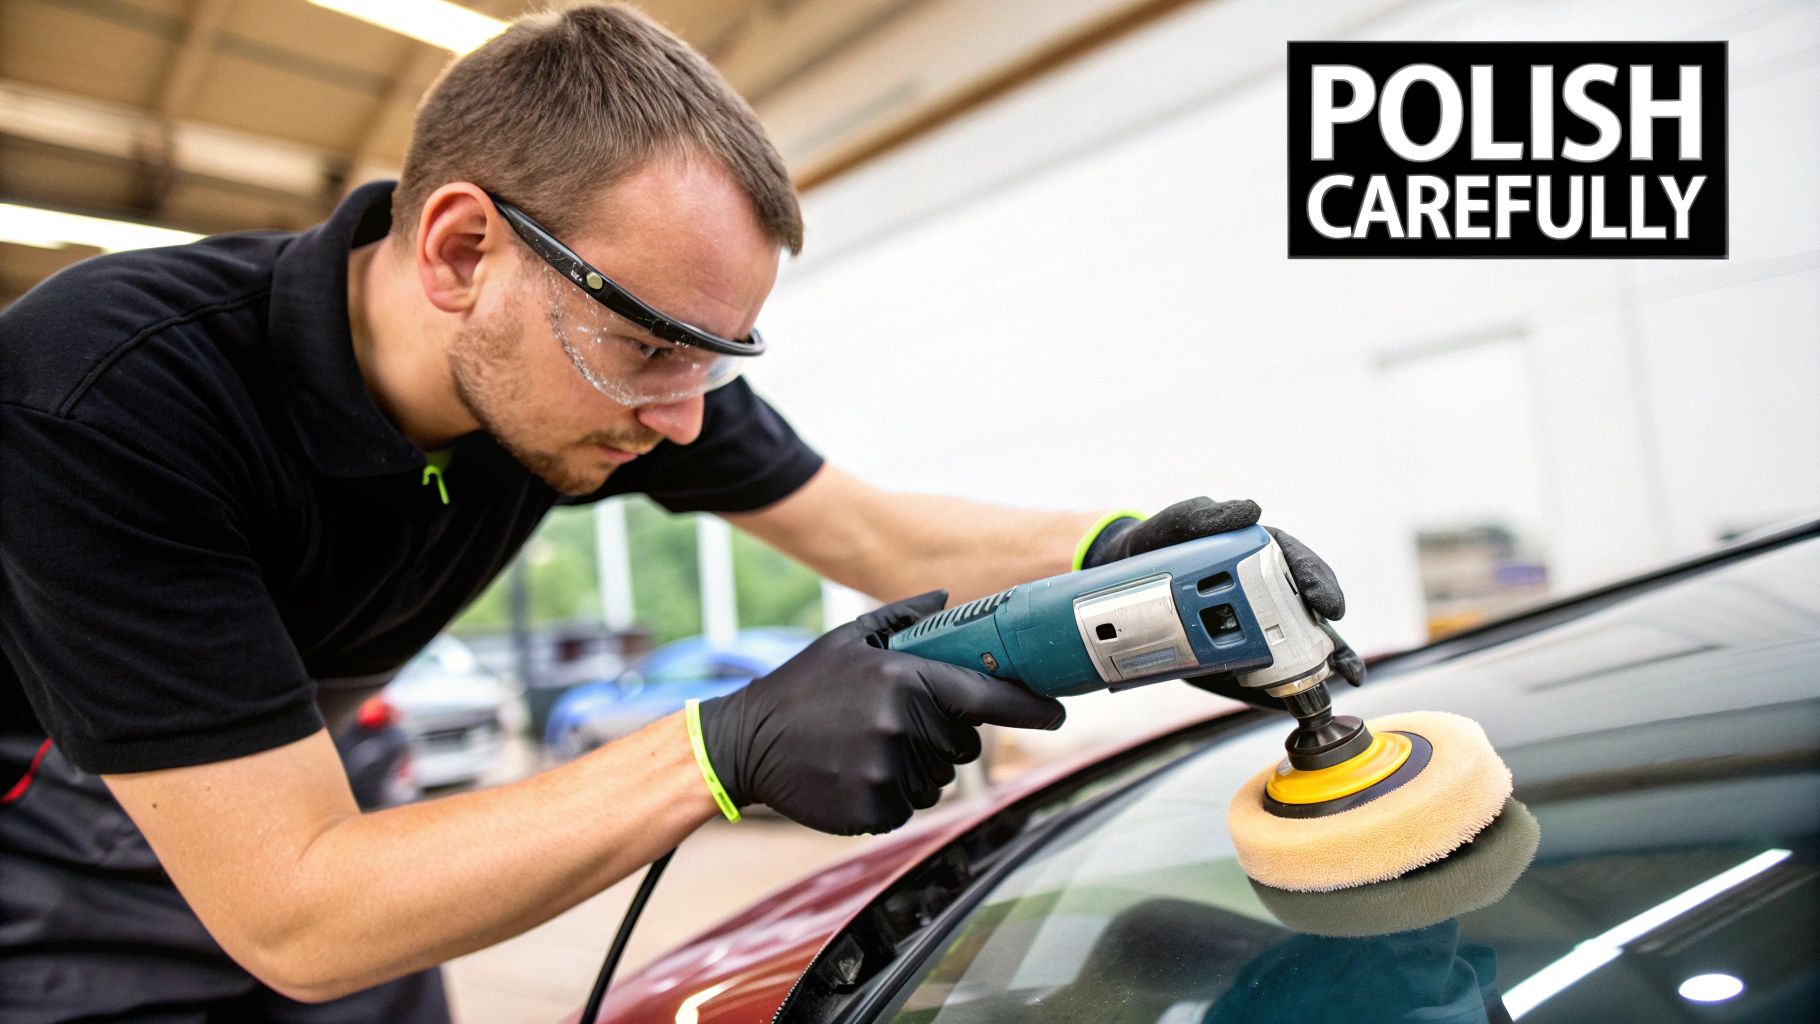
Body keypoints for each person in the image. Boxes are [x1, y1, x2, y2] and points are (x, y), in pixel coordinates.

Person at [0, 5, 1357, 1020]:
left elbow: (872, 534)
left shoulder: (596, 375)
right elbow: (295, 906)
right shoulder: (105, 394)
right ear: (463, 252)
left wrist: (1125, 562)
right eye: (653, 347)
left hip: (314, 800)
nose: (688, 420)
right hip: (56, 843)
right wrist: (720, 747)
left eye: (712, 358)